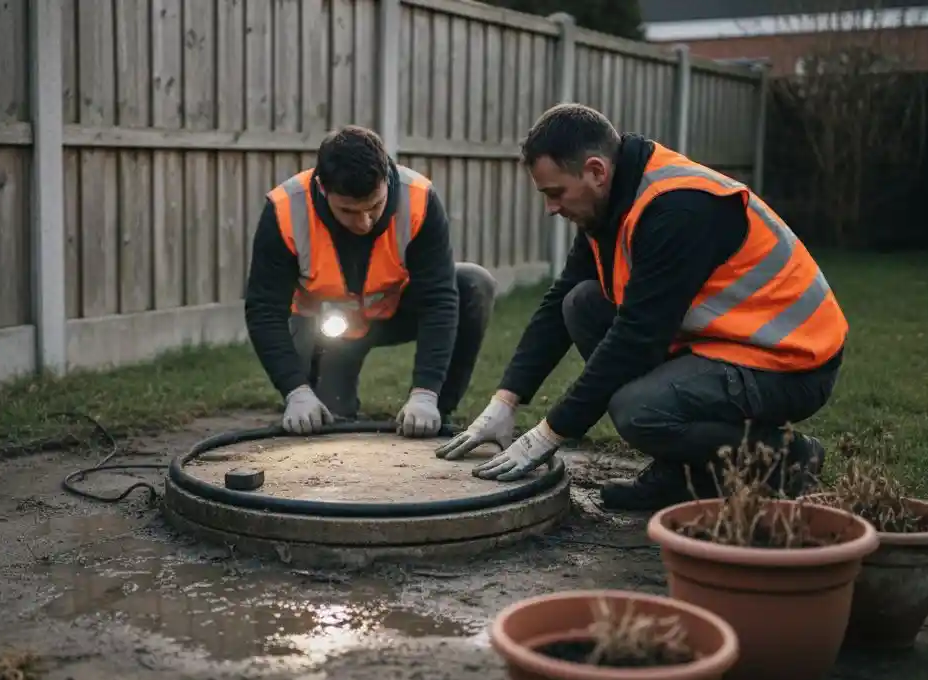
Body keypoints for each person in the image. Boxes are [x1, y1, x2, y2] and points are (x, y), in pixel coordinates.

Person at [437, 104, 848, 512]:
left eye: (555, 192)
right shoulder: (612, 202)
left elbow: (637, 340)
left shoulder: (678, 209)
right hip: (725, 341)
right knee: (579, 303)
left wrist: (548, 434)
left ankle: (786, 458)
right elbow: (557, 303)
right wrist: (505, 402)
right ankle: (683, 474)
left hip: (789, 359)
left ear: (596, 171)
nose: (551, 208)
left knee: (639, 410)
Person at [245, 125, 498, 438]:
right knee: (327, 423)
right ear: (323, 188)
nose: (364, 222)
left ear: (386, 179)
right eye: (349, 211)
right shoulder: (285, 209)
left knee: (473, 283)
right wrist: (295, 390)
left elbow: (439, 301)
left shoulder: (419, 199)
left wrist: (426, 393)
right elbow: (264, 309)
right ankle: (314, 393)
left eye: (375, 206)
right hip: (328, 328)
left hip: (395, 313)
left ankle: (435, 415)